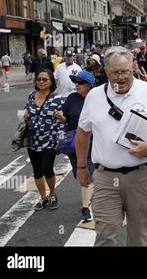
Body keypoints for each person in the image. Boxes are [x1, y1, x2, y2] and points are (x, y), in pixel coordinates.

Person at [76, 47, 147, 246]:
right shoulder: (94, 96)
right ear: (106, 72)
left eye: (125, 72)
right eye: (114, 73)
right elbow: (82, 132)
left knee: (139, 237)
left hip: (140, 175)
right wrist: (81, 167)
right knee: (105, 236)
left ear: (133, 68)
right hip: (105, 177)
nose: (120, 77)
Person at [55, 71, 96, 222]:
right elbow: (65, 119)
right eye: (75, 82)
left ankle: (86, 208)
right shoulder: (72, 98)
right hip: (74, 143)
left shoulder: (97, 99)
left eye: (80, 83)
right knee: (79, 174)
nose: (76, 85)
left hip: (93, 142)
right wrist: (61, 117)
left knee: (88, 174)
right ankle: (92, 192)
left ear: (89, 86)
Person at [23, 69, 63, 211]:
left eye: (45, 79)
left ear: (51, 82)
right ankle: (43, 197)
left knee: (47, 168)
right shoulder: (31, 96)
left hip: (50, 139)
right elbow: (24, 113)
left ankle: (52, 193)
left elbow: (64, 121)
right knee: (37, 171)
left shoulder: (57, 98)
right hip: (32, 139)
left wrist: (61, 119)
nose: (41, 81)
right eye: (39, 79)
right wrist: (24, 116)